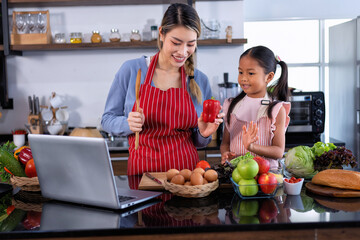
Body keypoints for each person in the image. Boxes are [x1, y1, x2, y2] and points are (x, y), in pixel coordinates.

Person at [102, 3, 223, 176]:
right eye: (176, 42)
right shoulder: (131, 70)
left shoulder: (199, 80)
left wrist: (204, 134)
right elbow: (107, 119)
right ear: (161, 33)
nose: (183, 51)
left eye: (191, 44)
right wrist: (127, 124)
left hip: (186, 178)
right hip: (143, 176)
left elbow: (199, 142)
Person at [220, 45, 291, 168]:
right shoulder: (231, 105)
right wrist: (225, 153)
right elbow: (225, 143)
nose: (243, 78)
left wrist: (251, 147)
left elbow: (278, 152)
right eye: (240, 72)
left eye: (251, 73)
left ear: (269, 77)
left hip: (267, 178)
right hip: (237, 175)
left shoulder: (276, 110)